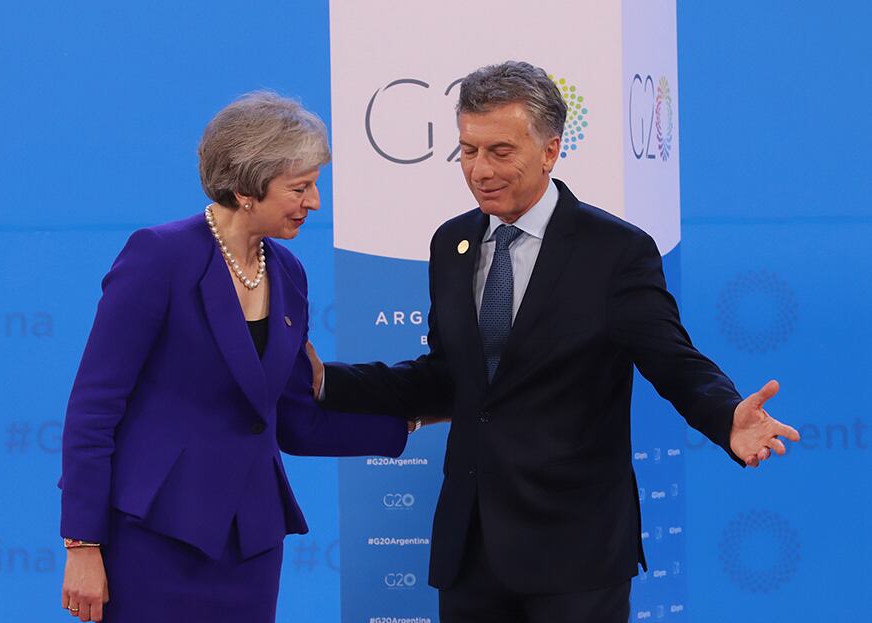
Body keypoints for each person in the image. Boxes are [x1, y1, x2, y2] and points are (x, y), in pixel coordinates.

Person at [312, 61, 800, 623]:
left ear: (549, 151)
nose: (479, 170)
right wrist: (329, 382)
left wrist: (725, 415)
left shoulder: (615, 251)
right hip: (469, 549)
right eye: (468, 150)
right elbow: (449, 378)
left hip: (576, 553)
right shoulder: (451, 243)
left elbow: (674, 361)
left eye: (500, 151)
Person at [58, 91, 416, 623]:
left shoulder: (289, 273)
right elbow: (94, 406)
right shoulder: (160, 256)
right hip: (155, 534)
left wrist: (413, 418)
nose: (315, 202)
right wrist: (83, 543)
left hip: (251, 542)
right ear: (247, 188)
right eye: (300, 187)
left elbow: (296, 421)